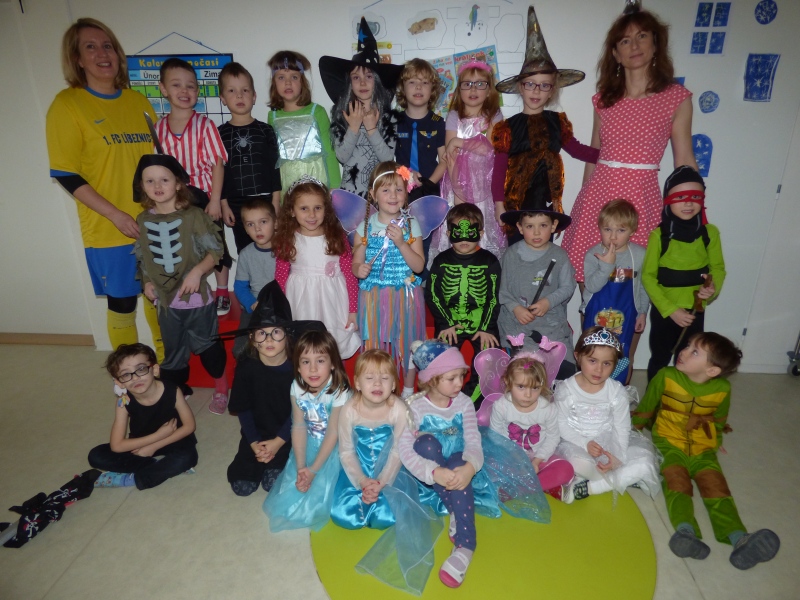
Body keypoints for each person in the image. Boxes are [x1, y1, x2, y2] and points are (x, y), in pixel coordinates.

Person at [46, 18, 163, 359]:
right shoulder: (67, 104)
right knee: (124, 302)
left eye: (107, 46)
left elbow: (159, 161)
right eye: (91, 47)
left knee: (159, 298)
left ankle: (166, 367)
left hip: (155, 223)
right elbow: (66, 174)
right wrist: (116, 215)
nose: (102, 53)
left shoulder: (138, 101)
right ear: (77, 59)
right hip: (110, 228)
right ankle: (128, 372)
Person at [562, 6, 698, 283]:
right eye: (625, 40)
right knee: (589, 277)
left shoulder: (676, 97)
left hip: (641, 199)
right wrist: (584, 201)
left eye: (642, 36)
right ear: (615, 53)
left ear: (655, 44)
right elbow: (594, 155)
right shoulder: (604, 100)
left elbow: (684, 160)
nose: (634, 46)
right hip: (598, 196)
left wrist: (694, 208)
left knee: (633, 282)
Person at [633, 333, 780, 569]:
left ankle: (739, 538)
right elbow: (647, 405)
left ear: (712, 370)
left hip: (703, 448)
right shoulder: (666, 376)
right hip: (669, 443)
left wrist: (716, 438)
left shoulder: (722, 389)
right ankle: (686, 532)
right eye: (688, 345)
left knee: (717, 488)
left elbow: (719, 418)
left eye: (694, 352)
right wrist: (632, 433)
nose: (683, 351)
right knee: (676, 484)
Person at [492, 6, 597, 246]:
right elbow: (499, 171)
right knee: (518, 251)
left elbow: (578, 150)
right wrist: (499, 205)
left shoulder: (557, 122)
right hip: (516, 205)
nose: (537, 91)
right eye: (530, 84)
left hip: (547, 202)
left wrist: (611, 154)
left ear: (552, 91)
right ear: (520, 87)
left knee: (543, 251)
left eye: (544, 85)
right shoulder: (507, 127)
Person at [132, 155, 229, 414]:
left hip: (197, 301)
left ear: (178, 184)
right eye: (150, 181)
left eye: (164, 180)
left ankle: (221, 388)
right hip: (166, 303)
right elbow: (144, 257)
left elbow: (215, 251)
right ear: (142, 186)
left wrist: (197, 272)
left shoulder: (194, 216)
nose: (157, 186)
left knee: (208, 346)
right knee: (173, 352)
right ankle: (175, 393)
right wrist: (147, 282)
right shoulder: (143, 220)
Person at [398, 340, 483, 587]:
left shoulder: (464, 403)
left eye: (461, 376)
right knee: (425, 443)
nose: (459, 383)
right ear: (432, 379)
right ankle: (455, 507)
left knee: (458, 463)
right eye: (451, 378)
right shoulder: (414, 407)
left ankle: (466, 544)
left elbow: (473, 441)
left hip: (457, 460)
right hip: (432, 468)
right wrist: (434, 472)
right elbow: (405, 450)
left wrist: (470, 468)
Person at [224, 282, 322, 497]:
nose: (269, 339)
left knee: (273, 484)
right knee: (242, 486)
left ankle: (278, 458)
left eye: (276, 332)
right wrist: (253, 444)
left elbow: (300, 413)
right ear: (252, 338)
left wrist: (278, 443)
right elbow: (244, 409)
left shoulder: (299, 369)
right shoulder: (246, 367)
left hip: (289, 434)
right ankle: (256, 455)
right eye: (262, 333)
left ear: (288, 335)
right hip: (256, 434)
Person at [154, 58, 232, 315]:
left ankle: (222, 291)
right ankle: (192, 290)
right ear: (163, 89)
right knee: (184, 248)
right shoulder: (158, 128)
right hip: (173, 202)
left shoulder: (205, 125)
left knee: (214, 244)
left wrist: (215, 200)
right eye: (176, 85)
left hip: (203, 198)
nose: (184, 91)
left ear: (197, 91)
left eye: (190, 86)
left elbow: (217, 164)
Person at [554, 326, 660, 503]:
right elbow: (561, 423)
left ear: (614, 364)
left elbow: (622, 427)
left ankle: (590, 487)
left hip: (610, 441)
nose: (599, 370)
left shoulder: (616, 391)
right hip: (576, 442)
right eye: (592, 361)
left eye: (607, 363)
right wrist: (585, 443)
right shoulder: (566, 389)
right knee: (576, 464)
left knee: (646, 462)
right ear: (578, 357)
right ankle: (623, 477)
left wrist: (618, 457)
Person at [262, 330, 352, 532]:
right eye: (305, 362)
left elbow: (333, 433)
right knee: (294, 486)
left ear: (333, 363)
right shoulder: (297, 387)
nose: (312, 369)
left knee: (323, 496)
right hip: (310, 441)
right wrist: (301, 465)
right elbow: (299, 426)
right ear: (297, 366)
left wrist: (313, 470)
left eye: (320, 361)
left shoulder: (339, 391)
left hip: (336, 445)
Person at [642, 166, 725, 381]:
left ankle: (681, 397)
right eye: (681, 197)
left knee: (690, 360)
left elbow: (718, 268)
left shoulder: (710, 233)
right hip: (665, 310)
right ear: (668, 200)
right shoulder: (659, 236)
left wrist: (712, 288)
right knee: (660, 357)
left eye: (695, 197)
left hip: (695, 309)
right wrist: (670, 310)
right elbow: (648, 276)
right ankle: (654, 397)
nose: (688, 203)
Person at [352, 162, 426, 397]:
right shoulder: (365, 227)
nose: (393, 195)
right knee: (376, 344)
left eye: (398, 189)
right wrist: (360, 269)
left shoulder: (411, 224)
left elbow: (419, 266)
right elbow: (355, 262)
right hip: (375, 295)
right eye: (385, 190)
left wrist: (402, 243)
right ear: (373, 195)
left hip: (406, 295)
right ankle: (378, 390)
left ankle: (407, 391)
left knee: (409, 342)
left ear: (406, 193)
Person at [273, 176, 360, 359]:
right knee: (305, 344)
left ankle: (336, 375)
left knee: (334, 341)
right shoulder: (288, 239)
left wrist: (353, 309)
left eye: (318, 208)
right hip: (301, 301)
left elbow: (350, 274)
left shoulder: (336, 236)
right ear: (292, 211)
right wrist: (280, 311)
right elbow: (280, 278)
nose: (312, 215)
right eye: (304, 208)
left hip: (333, 300)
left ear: (326, 210)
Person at [88, 343, 197, 489]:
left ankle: (132, 479)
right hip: (141, 443)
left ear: (155, 370)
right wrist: (155, 438)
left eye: (141, 369)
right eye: (126, 374)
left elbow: (189, 426)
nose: (135, 378)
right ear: (119, 382)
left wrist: (154, 446)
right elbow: (117, 445)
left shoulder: (172, 390)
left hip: (174, 438)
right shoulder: (123, 402)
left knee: (187, 457)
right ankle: (159, 466)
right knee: (96, 455)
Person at [429, 60, 505, 265]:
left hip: (484, 184)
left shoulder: (495, 116)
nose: (473, 89)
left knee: (481, 225)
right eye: (467, 84)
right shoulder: (454, 116)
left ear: (489, 91)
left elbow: (490, 149)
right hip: (456, 183)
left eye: (480, 84)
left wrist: (459, 142)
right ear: (459, 90)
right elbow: (450, 156)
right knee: (459, 225)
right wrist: (458, 190)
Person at [320, 18, 403, 198]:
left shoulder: (389, 118)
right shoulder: (342, 115)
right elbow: (342, 157)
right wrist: (354, 127)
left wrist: (372, 129)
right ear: (349, 83)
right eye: (356, 77)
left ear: (377, 82)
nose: (363, 82)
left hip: (380, 194)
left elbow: (388, 159)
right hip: (350, 194)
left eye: (369, 76)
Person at [426, 203, 501, 399]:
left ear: (481, 233)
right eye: (458, 233)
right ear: (449, 233)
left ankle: (473, 403)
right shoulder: (441, 261)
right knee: (442, 364)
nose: (464, 239)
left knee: (488, 363)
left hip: (482, 324)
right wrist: (446, 323)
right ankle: (445, 401)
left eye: (471, 232)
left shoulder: (490, 261)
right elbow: (433, 294)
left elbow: (493, 297)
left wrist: (486, 327)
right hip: (449, 324)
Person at [497, 203, 577, 379]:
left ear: (553, 226)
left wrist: (548, 302)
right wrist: (516, 308)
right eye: (529, 226)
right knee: (525, 373)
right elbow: (502, 289)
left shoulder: (560, 255)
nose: (536, 232)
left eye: (543, 225)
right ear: (520, 227)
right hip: (518, 324)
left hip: (551, 325)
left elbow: (568, 287)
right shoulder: (511, 255)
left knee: (563, 371)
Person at [331, 350, 408, 529]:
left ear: (394, 384)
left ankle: (378, 494)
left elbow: (398, 451)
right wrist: (362, 481)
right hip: (357, 466)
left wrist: (382, 482)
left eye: (385, 378)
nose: (377, 383)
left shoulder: (399, 409)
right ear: (357, 383)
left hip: (390, 468)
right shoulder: (349, 409)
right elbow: (346, 451)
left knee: (387, 517)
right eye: (369, 378)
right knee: (344, 515)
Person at [217, 62, 282, 254]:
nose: (239, 95)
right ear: (222, 98)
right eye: (232, 90)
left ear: (254, 96)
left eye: (245, 90)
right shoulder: (218, 133)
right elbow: (219, 171)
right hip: (235, 202)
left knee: (273, 249)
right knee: (245, 251)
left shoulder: (266, 130)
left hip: (265, 199)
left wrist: (276, 202)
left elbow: (275, 167)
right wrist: (223, 204)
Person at [581, 199, 649, 383]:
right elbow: (592, 286)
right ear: (599, 228)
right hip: (595, 317)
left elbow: (643, 288)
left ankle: (616, 389)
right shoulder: (593, 254)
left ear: (632, 231)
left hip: (626, 317)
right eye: (607, 229)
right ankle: (589, 388)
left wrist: (642, 312)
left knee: (620, 353)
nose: (613, 237)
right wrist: (606, 266)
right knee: (593, 353)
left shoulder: (639, 255)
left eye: (621, 230)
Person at [488, 355, 574, 497]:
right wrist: (514, 458)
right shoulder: (501, 406)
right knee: (485, 467)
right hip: (510, 458)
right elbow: (495, 436)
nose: (528, 394)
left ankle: (518, 490)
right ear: (508, 381)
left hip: (538, 458)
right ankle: (539, 485)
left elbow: (553, 438)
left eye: (535, 388)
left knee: (566, 469)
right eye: (521, 386)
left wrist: (536, 461)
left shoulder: (548, 409)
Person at [267, 50, 341, 193]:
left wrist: (334, 187)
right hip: (287, 186)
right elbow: (273, 158)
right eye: (281, 77)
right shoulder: (273, 117)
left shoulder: (316, 112)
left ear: (302, 81)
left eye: (294, 77)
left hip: (317, 183)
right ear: (274, 83)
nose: (288, 82)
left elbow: (330, 151)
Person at [232, 197, 277, 357]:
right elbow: (240, 286)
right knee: (240, 350)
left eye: (263, 222)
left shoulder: (286, 250)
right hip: (254, 307)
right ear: (245, 229)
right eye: (250, 224)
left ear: (275, 223)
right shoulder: (246, 254)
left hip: (280, 308)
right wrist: (251, 304)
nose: (257, 229)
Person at [394, 58, 447, 194]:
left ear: (432, 90)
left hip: (431, 188)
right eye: (412, 82)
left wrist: (429, 184)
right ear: (403, 88)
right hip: (401, 188)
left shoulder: (438, 123)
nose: (418, 87)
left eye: (425, 82)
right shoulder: (394, 122)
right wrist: (406, 175)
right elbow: (388, 159)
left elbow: (444, 160)